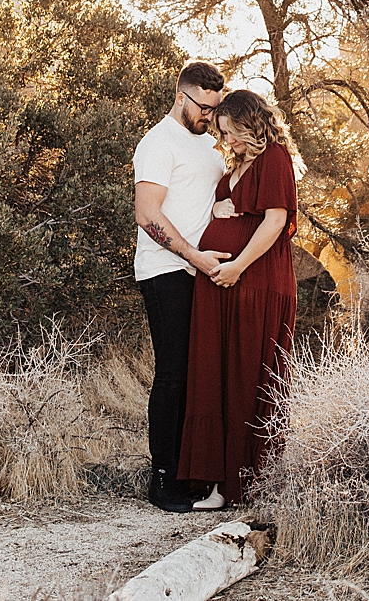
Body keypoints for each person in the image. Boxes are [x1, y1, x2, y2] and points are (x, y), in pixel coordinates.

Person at [177, 88, 302, 509]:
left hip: (257, 283)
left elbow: (275, 222)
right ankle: (218, 485)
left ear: (252, 125)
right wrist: (215, 212)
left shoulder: (275, 158)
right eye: (222, 133)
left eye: (231, 132)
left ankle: (248, 485)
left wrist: (237, 267)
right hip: (219, 286)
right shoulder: (237, 164)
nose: (226, 140)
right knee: (216, 376)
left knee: (249, 376)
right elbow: (227, 208)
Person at [132, 60, 235, 514]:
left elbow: (203, 200)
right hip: (166, 270)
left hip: (204, 273)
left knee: (199, 375)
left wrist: (220, 213)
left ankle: (191, 473)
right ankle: (162, 479)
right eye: (203, 108)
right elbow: (147, 213)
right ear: (181, 97)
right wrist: (194, 256)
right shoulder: (158, 143)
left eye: (214, 109)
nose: (209, 116)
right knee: (173, 373)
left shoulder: (211, 146)